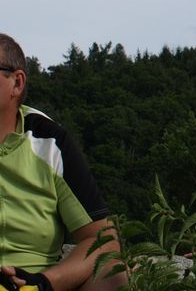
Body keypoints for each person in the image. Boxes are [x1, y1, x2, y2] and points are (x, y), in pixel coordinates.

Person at [0, 33, 126, 291]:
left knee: (114, 275)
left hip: (32, 282)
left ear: (17, 82)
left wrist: (43, 283)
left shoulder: (49, 141)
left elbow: (102, 241)